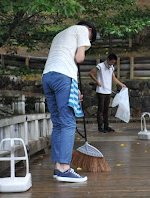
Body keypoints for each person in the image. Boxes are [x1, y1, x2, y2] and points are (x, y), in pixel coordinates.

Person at [42, 20, 97, 183]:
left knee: (58, 122)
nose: (88, 42)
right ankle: (65, 169)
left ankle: (59, 167)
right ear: (89, 29)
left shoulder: (60, 34)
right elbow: (79, 58)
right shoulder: (82, 30)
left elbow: (62, 61)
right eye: (90, 38)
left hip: (48, 76)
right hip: (63, 77)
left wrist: (74, 89)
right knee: (68, 123)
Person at [89, 53, 126, 133]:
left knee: (106, 109)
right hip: (101, 91)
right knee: (101, 109)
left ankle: (106, 126)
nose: (113, 64)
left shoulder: (111, 67)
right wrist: (97, 82)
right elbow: (91, 73)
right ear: (108, 60)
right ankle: (100, 126)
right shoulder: (100, 66)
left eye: (114, 63)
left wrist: (121, 84)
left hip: (108, 91)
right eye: (112, 62)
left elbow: (113, 77)